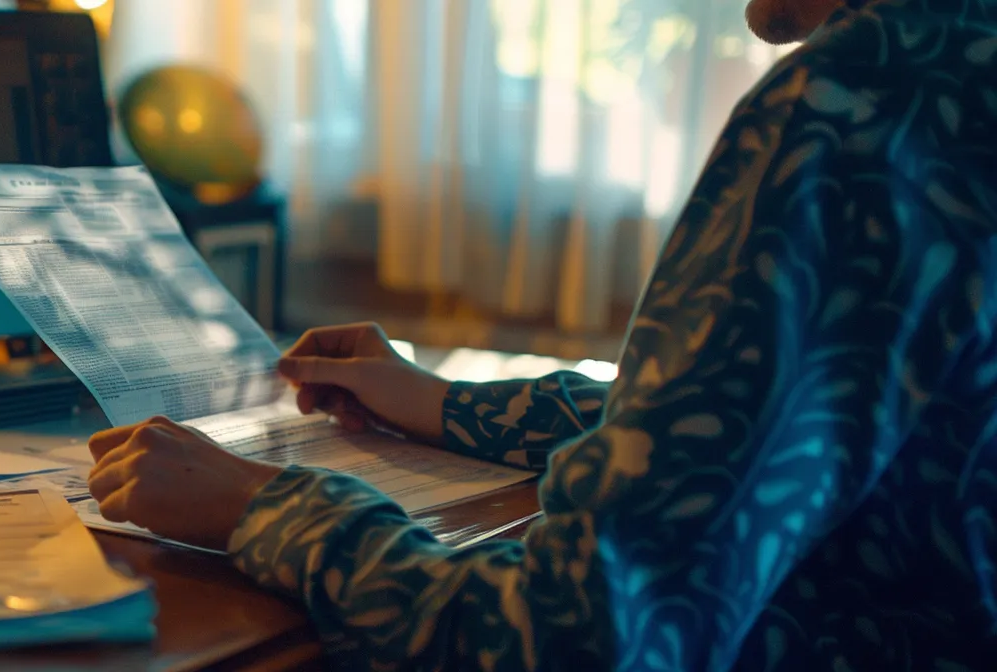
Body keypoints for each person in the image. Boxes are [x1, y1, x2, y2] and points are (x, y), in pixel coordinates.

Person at [84, 0, 997, 668]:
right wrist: (444, 405)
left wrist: (262, 505)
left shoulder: (871, 93)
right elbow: (750, 430)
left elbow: (579, 638)